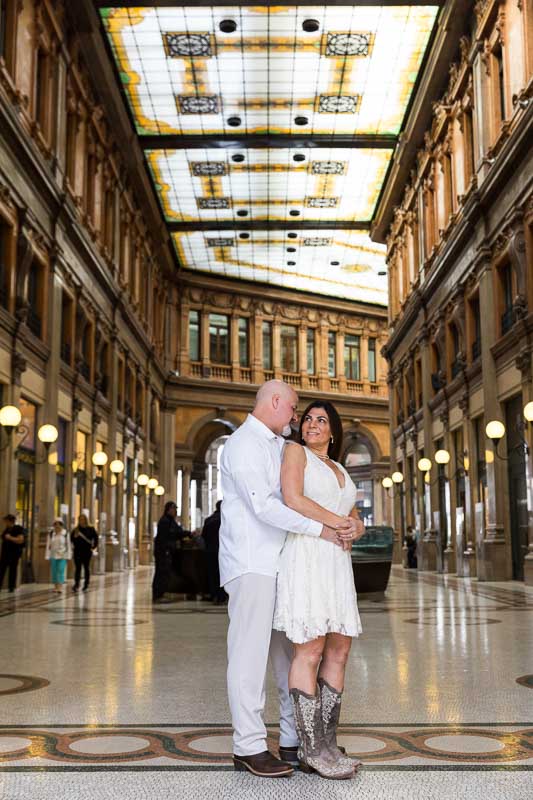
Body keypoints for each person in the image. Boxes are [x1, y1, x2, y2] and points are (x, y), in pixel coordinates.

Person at [219, 380, 358, 778]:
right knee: (247, 655)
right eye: (295, 409)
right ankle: (248, 746)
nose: (298, 418)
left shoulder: (278, 444)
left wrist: (343, 525)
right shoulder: (243, 443)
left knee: (287, 656)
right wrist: (324, 530)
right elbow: (266, 506)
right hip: (251, 563)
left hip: (281, 561)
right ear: (276, 402)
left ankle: (295, 739)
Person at [273, 400, 365, 779]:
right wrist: (339, 524)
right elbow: (293, 498)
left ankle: (328, 742)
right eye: (307, 418)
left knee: (339, 649)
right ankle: (312, 751)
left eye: (320, 420)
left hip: (337, 563)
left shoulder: (339, 467)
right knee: (310, 648)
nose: (311, 424)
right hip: (308, 554)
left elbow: (352, 512)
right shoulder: (295, 452)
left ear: (333, 430)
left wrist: (355, 527)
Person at [152, 500, 187, 602]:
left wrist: (188, 534)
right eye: (173, 509)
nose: (175, 511)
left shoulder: (171, 521)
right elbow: (166, 537)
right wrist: (166, 550)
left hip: (167, 550)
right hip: (163, 551)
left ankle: (161, 593)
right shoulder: (165, 521)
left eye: (176, 509)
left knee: (165, 573)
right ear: (168, 509)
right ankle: (158, 595)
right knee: (161, 572)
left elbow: (179, 532)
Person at [201, 500, 227, 604]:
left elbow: (203, 536)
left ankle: (214, 595)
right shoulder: (226, 519)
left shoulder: (208, 520)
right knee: (222, 575)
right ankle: (222, 596)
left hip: (210, 551)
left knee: (212, 574)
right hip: (223, 552)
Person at [70, 514, 98, 592]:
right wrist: (75, 538)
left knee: (86, 568)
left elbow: (96, 538)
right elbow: (71, 540)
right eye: (80, 519)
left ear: (86, 520)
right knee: (77, 568)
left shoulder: (91, 529)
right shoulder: (76, 530)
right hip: (77, 552)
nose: (82, 521)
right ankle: (76, 584)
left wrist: (93, 547)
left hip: (87, 552)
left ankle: (86, 584)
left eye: (83, 519)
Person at [0, 514, 26, 592]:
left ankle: (11, 587)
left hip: (14, 554)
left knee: (12, 570)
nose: (5, 522)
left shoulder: (18, 528)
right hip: (5, 553)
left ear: (9, 521)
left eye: (6, 521)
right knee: (1, 569)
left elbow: (21, 540)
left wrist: (10, 538)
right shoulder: (6, 529)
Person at [45, 518, 72, 593]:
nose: (57, 526)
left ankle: (60, 587)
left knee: (60, 571)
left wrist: (69, 556)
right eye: (55, 524)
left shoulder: (65, 534)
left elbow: (68, 545)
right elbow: (48, 545)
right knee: (54, 571)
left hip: (62, 555)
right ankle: (55, 587)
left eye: (59, 524)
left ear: (62, 525)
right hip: (53, 555)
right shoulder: (51, 534)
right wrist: (47, 556)